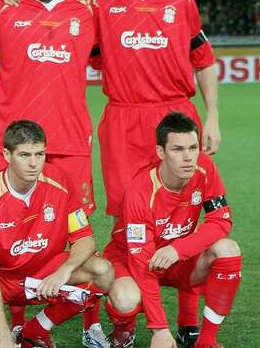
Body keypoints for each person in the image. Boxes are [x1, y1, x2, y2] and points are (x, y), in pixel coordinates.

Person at [0, 0, 221, 345]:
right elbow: (60, 15)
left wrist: (211, 116)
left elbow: (204, 58)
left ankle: (189, 322)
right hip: (123, 119)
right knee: (124, 218)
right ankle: (101, 321)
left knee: (185, 211)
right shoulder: (95, 2)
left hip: (175, 112)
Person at [0, 0, 105, 346]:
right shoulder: (2, 10)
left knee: (79, 232)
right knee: (14, 230)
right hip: (20, 142)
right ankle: (16, 324)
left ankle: (91, 324)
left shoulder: (85, 10)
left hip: (70, 140)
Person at [0, 120, 113, 348]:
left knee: (103, 272)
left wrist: (63, 271)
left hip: (43, 271)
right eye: (24, 155)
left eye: (39, 154)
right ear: (6, 155)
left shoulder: (59, 181)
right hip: (0, 274)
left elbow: (84, 239)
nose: (34, 163)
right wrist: (4, 337)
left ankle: (37, 330)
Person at [103, 112, 240, 348]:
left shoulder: (205, 168)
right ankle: (123, 330)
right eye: (177, 150)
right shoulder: (140, 191)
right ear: (160, 152)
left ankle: (206, 342)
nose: (188, 157)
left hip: (174, 260)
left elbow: (221, 221)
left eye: (193, 147)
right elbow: (141, 263)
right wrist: (160, 330)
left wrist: (177, 250)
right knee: (126, 299)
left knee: (228, 250)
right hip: (131, 259)